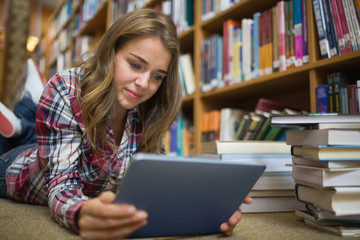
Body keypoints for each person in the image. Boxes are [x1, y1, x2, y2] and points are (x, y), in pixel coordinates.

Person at [0, 8, 252, 239]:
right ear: (110, 53)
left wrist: (206, 206)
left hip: (57, 143)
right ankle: (26, 110)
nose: (144, 83)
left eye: (156, 76)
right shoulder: (66, 88)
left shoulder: (150, 108)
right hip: (18, 169)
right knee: (18, 139)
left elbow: (155, 185)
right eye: (135, 65)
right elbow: (61, 184)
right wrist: (83, 212)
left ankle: (26, 114)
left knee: (35, 131)